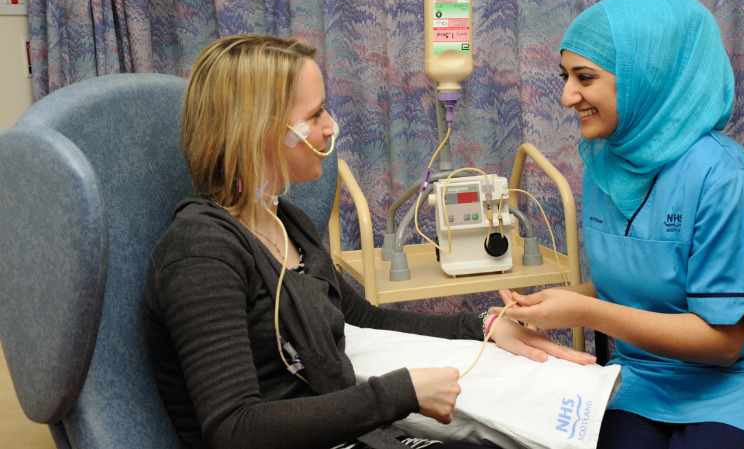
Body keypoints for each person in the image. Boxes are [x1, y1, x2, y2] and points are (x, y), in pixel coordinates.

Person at [144, 35, 594, 449]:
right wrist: (401, 394)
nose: (330, 127)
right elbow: (234, 429)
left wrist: (482, 328)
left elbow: (361, 317)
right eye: (315, 114)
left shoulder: (284, 222)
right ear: (261, 131)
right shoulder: (200, 253)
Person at [494, 0, 744, 449]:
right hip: (646, 379)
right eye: (565, 77)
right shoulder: (604, 167)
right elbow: (640, 278)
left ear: (646, 79)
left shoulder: (724, 177)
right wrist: (544, 305)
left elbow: (722, 342)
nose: (566, 97)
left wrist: (581, 311)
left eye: (585, 78)